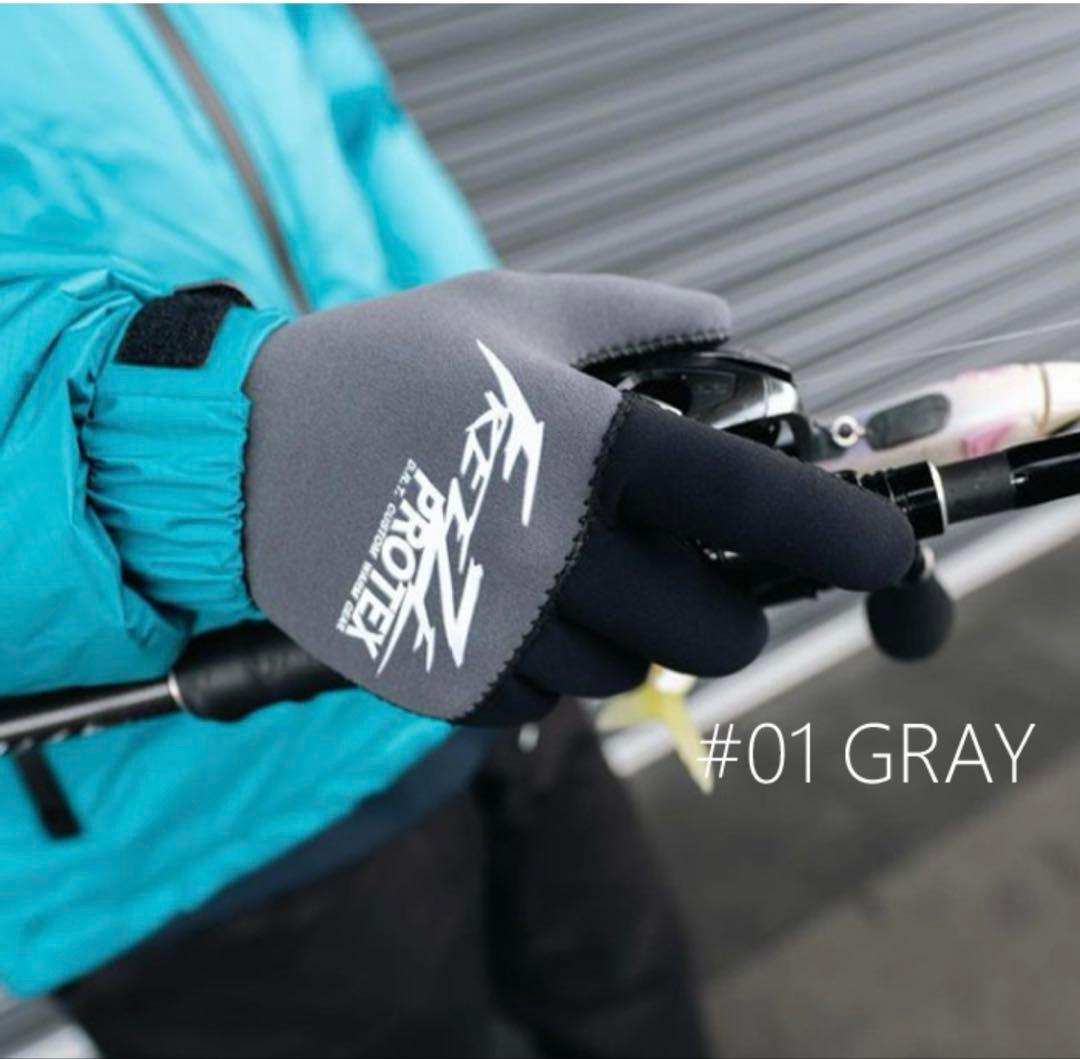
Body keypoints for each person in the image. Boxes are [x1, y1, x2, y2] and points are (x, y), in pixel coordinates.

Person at [0, 6, 914, 1057]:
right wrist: (212, 452)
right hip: (189, 820)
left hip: (484, 639)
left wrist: (532, 427)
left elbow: (361, 131)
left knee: (639, 1013)